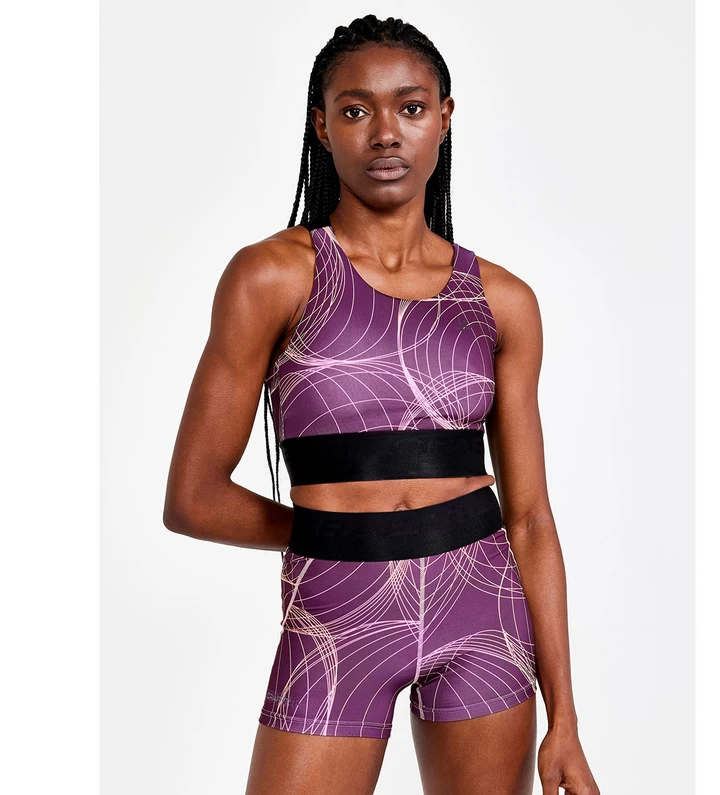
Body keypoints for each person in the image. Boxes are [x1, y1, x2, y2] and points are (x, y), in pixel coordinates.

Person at [164, 14, 600, 795]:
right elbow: (193, 498)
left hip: (483, 615)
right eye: (356, 109)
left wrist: (563, 717)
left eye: (410, 106)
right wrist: (348, 533)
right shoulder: (274, 277)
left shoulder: (500, 301)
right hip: (337, 616)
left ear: (444, 117)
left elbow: (530, 518)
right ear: (322, 126)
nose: (385, 132)